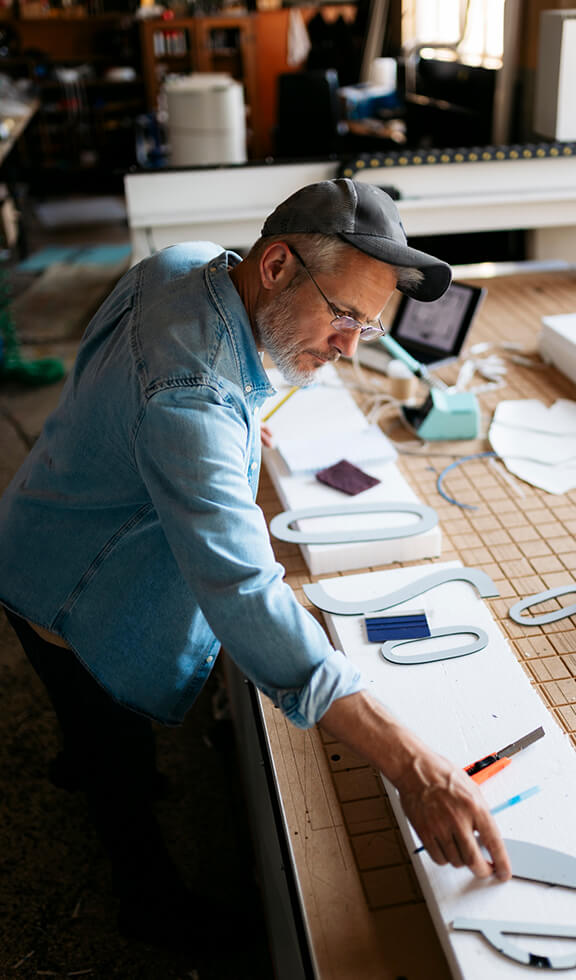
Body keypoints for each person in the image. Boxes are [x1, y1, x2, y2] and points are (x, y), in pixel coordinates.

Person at [0, 178, 510, 951]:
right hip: (71, 582)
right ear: (276, 266)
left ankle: (92, 761)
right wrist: (412, 765)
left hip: (44, 506)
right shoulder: (190, 399)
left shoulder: (186, 264)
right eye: (343, 316)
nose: (346, 349)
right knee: (112, 745)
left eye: (366, 328)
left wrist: (230, 431)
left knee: (92, 729)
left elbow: (130, 373)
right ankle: (150, 908)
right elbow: (243, 592)